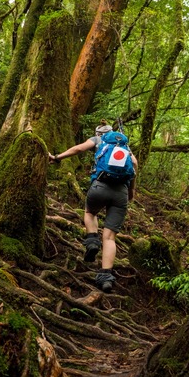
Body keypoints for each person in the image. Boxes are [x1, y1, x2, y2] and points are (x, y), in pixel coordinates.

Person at [48, 122, 137, 293]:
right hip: (121, 193)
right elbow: (134, 165)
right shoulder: (125, 147)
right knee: (110, 237)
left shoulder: (98, 140)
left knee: (90, 212)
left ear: (99, 133)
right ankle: (105, 278)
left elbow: (78, 149)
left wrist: (57, 157)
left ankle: (92, 240)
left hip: (100, 186)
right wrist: (132, 191)